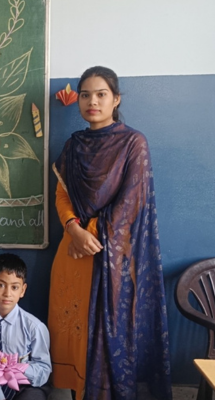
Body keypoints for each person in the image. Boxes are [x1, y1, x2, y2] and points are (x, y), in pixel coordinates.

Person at [48, 66, 171, 400]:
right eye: (85, 95)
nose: (92, 101)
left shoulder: (133, 143)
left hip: (111, 258)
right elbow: (61, 195)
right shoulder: (73, 146)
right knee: (73, 335)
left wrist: (87, 235)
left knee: (109, 338)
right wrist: (73, 229)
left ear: (115, 99)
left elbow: (130, 203)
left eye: (101, 94)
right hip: (73, 253)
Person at [0, 253, 51, 400]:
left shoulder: (35, 327)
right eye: (0, 285)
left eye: (14, 287)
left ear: (23, 290)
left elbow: (44, 369)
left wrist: (17, 368)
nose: (7, 293)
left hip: (25, 385)